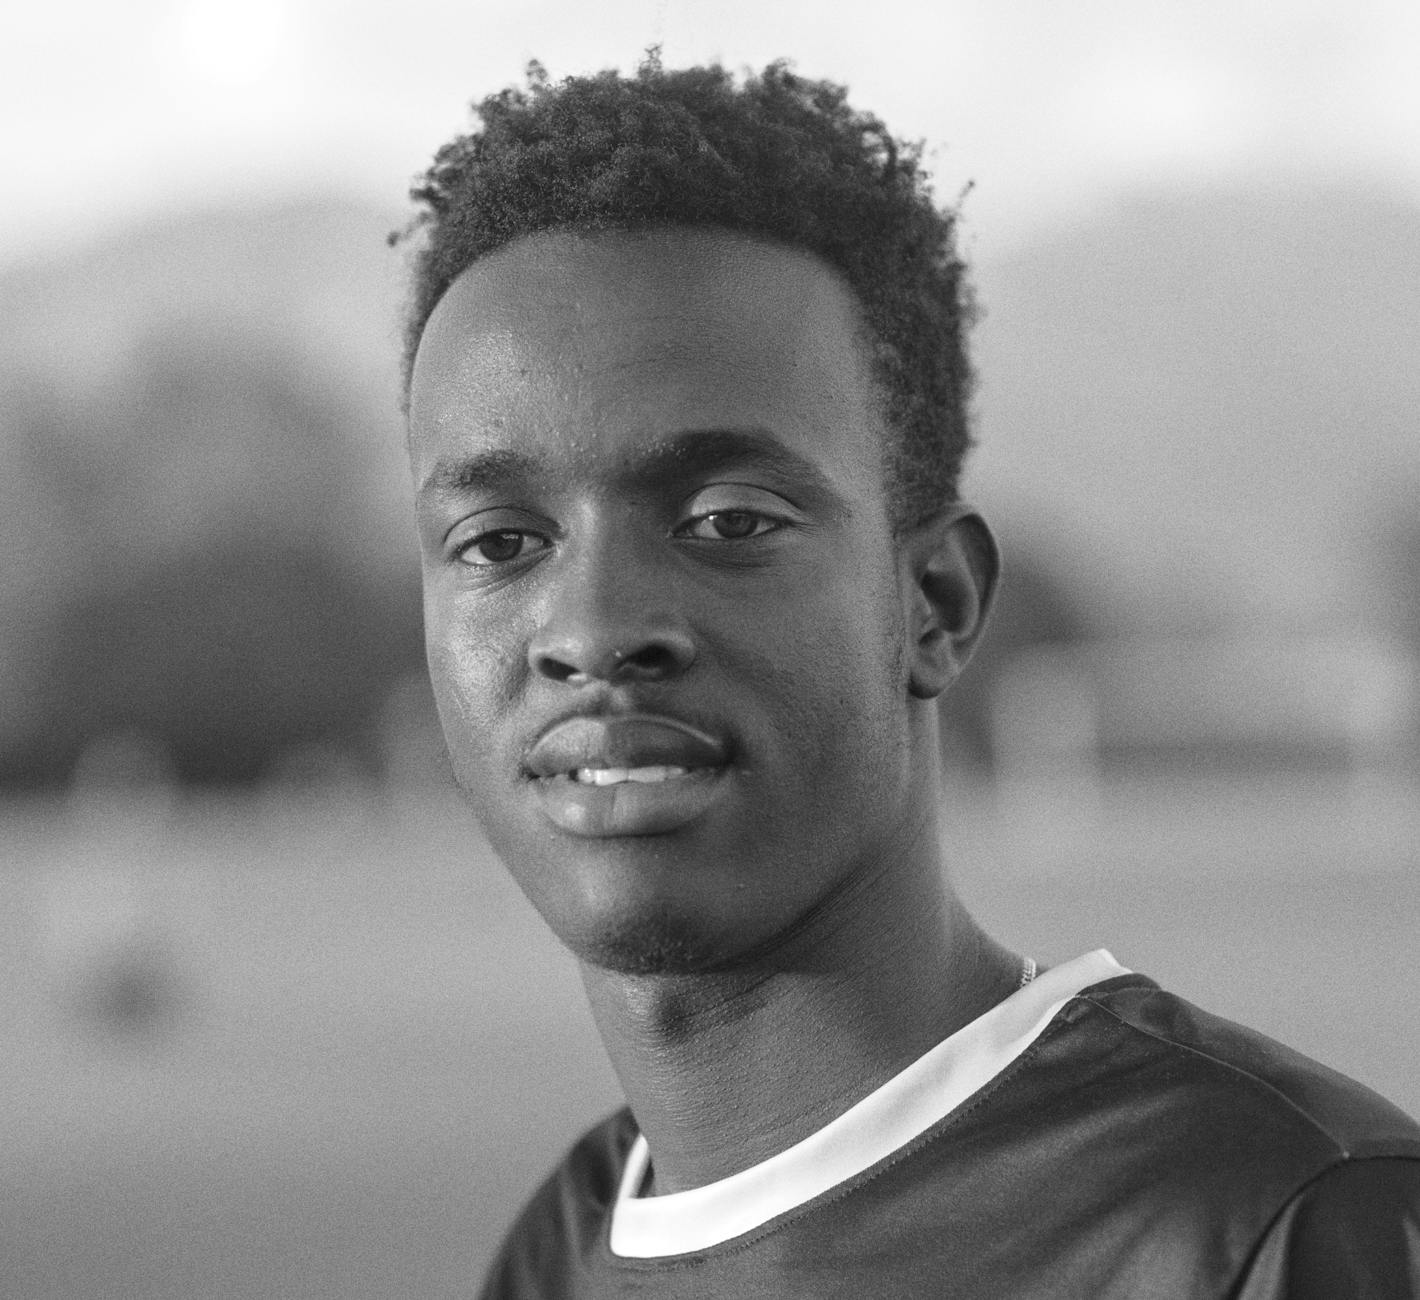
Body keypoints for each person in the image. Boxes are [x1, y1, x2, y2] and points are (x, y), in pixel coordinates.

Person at [394, 54, 1420, 1298]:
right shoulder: (560, 1251)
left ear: (932, 604)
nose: (594, 626)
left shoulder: (1283, 1228)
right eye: (501, 543)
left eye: (727, 519)